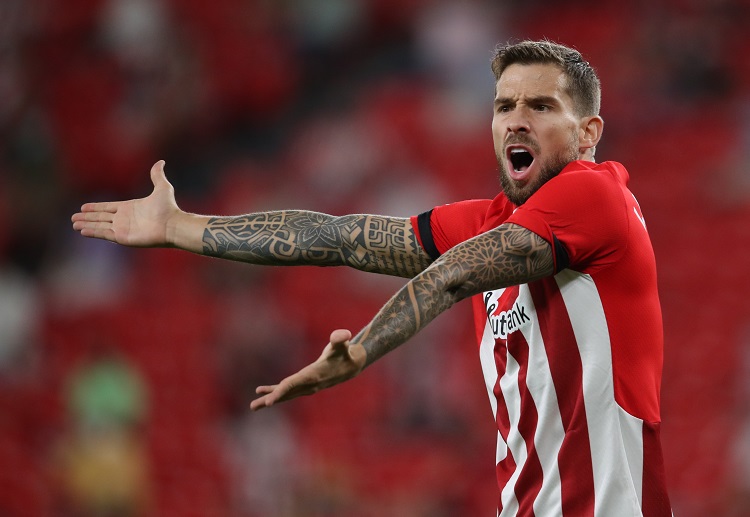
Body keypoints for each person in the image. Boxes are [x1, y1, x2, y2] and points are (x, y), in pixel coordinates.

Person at [72, 40, 672, 516]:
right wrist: (182, 227)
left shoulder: (596, 196)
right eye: (503, 106)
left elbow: (450, 277)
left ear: (588, 132)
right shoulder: (491, 220)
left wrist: (361, 349)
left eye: (540, 106)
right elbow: (341, 237)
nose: (516, 121)